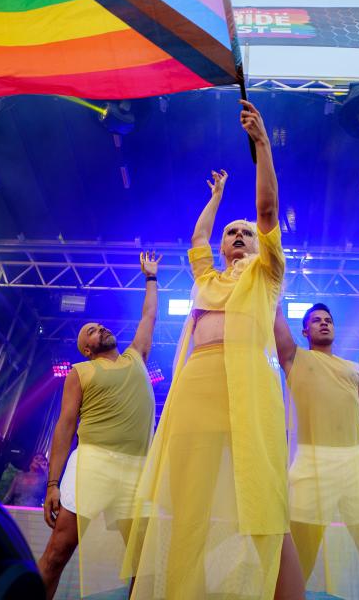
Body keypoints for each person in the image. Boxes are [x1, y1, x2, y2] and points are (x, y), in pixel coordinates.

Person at [124, 100, 305, 599]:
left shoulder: (268, 274)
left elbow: (267, 210)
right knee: (187, 500)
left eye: (246, 232)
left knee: (265, 504)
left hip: (249, 388)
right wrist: (218, 197)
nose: (240, 235)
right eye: (234, 233)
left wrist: (262, 144)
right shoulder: (206, 276)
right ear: (225, 248)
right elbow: (199, 235)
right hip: (197, 388)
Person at [37, 252, 160, 599]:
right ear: (86, 349)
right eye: (91, 330)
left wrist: (151, 278)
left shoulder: (137, 357)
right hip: (93, 464)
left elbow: (149, 315)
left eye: (100, 326)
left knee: (142, 563)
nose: (100, 328)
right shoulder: (81, 371)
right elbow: (64, 427)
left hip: (139, 469)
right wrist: (52, 483)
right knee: (58, 552)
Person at [274, 303, 359, 599]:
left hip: (357, 467)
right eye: (316, 320)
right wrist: (272, 283)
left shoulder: (356, 370)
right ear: (305, 330)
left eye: (328, 320)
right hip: (310, 468)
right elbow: (275, 318)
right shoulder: (294, 358)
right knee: (291, 570)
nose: (323, 323)